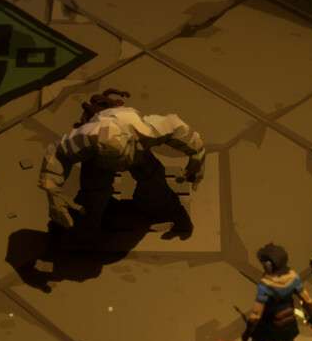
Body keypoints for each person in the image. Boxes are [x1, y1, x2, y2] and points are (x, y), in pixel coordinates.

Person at [37, 89, 206, 233]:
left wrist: (197, 157)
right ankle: (88, 221)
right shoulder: (86, 137)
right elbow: (57, 153)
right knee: (93, 193)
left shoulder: (147, 130)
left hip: (135, 153)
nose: (116, 165)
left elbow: (180, 129)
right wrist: (53, 194)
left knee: (153, 180)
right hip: (98, 158)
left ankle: (155, 205)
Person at [245, 242, 312, 341]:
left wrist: (248, 331)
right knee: (288, 340)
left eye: (263, 262)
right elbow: (307, 300)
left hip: (269, 322)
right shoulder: (293, 277)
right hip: (288, 318)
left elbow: (256, 313)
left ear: (269, 264)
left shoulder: (265, 285)